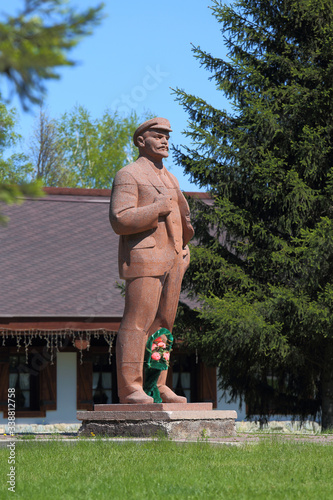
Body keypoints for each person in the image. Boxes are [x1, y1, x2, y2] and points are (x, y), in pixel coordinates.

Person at [110, 117, 194, 404]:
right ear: (140, 141)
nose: (165, 140)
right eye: (157, 135)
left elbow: (180, 218)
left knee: (164, 326)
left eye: (167, 136)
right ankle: (131, 388)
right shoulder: (128, 174)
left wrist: (183, 248)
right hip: (145, 258)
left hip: (174, 260)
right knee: (137, 323)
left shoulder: (170, 178)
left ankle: (157, 384)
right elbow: (120, 219)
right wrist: (155, 208)